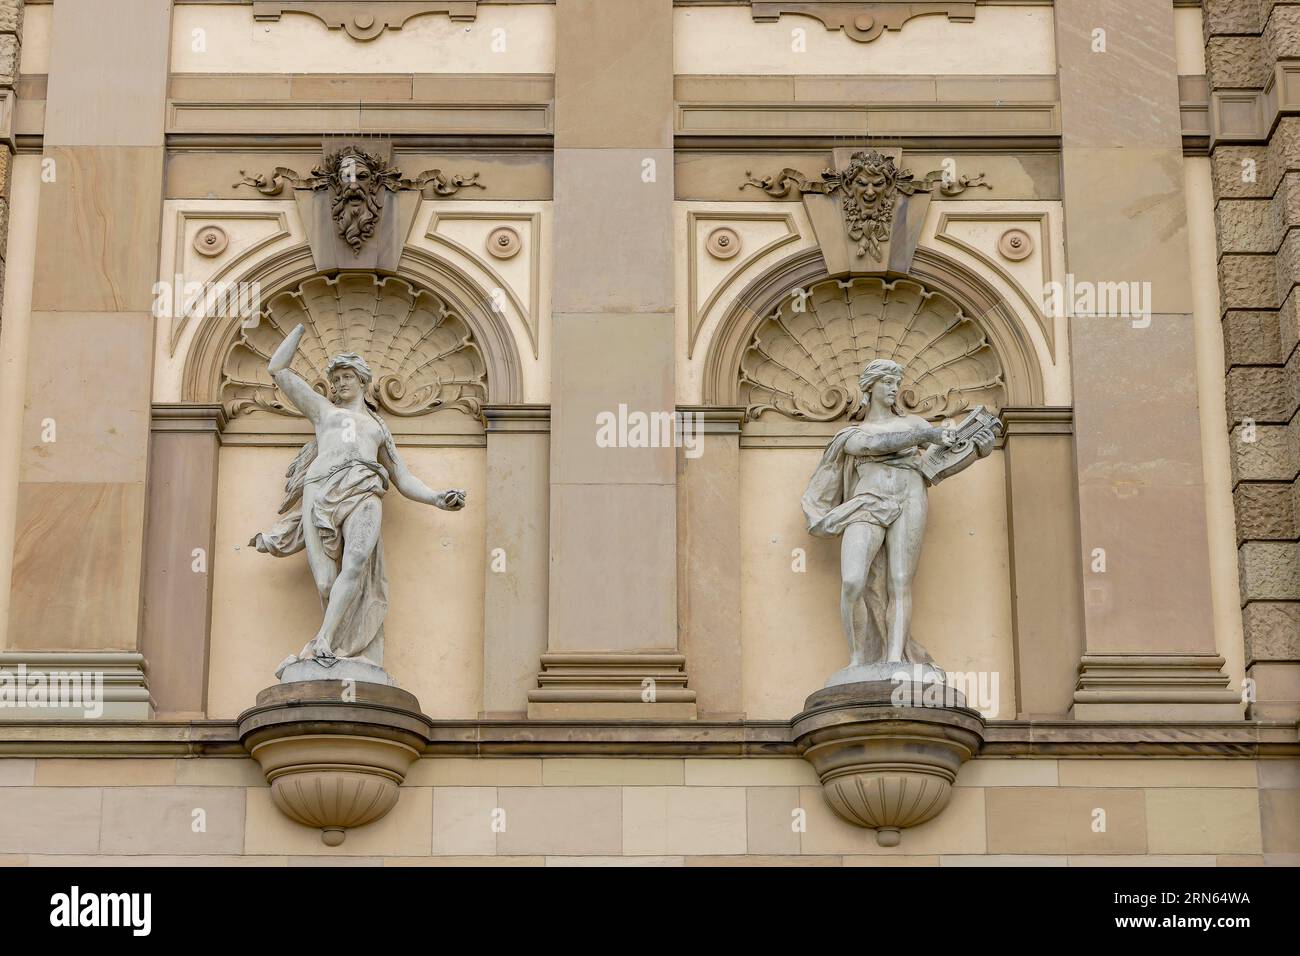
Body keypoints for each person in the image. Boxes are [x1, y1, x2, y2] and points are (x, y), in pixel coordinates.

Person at [250, 323, 467, 678]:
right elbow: (277, 369)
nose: (340, 383)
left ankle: (323, 643)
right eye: (335, 379)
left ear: (363, 381)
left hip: (364, 491)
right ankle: (335, 646)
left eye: (347, 377)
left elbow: (402, 478)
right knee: (325, 582)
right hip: (320, 492)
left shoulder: (378, 428)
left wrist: (437, 498)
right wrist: (301, 328)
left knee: (355, 564)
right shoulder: (323, 411)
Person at [802, 359, 996, 669]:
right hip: (867, 501)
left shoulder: (916, 425)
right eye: (887, 382)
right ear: (870, 387)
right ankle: (857, 660)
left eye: (896, 383)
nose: (894, 388)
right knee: (853, 581)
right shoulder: (854, 433)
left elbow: (936, 467)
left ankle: (894, 658)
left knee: (900, 580)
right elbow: (871, 446)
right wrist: (924, 437)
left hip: (910, 496)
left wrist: (977, 450)